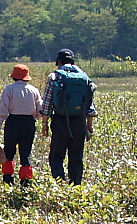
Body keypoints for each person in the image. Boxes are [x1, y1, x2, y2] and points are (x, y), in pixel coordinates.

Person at [41, 48, 97, 184]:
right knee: (76, 157)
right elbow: (90, 105)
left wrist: (44, 124)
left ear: (59, 61)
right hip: (79, 121)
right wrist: (89, 126)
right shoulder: (84, 77)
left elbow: (47, 104)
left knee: (56, 155)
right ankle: (75, 186)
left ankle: (60, 184)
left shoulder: (54, 76)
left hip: (60, 121)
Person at [0, 63, 43, 186]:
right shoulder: (34, 90)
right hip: (28, 123)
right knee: (26, 152)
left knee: (9, 151)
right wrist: (35, 119)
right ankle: (25, 181)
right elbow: (40, 109)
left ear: (14, 77)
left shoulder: (8, 90)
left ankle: (8, 179)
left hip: (13, 122)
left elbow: (3, 109)